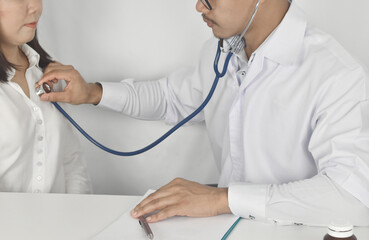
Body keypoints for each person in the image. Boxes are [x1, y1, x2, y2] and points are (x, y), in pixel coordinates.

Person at [37, 0, 369, 225]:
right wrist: (93, 93)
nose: (198, 6)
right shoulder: (221, 51)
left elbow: (353, 196)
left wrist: (221, 199)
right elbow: (170, 97)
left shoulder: (335, 75)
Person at [0, 0, 91, 193]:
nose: (35, 8)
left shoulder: (48, 72)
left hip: (61, 220)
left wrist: (77, 214)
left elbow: (71, 161)